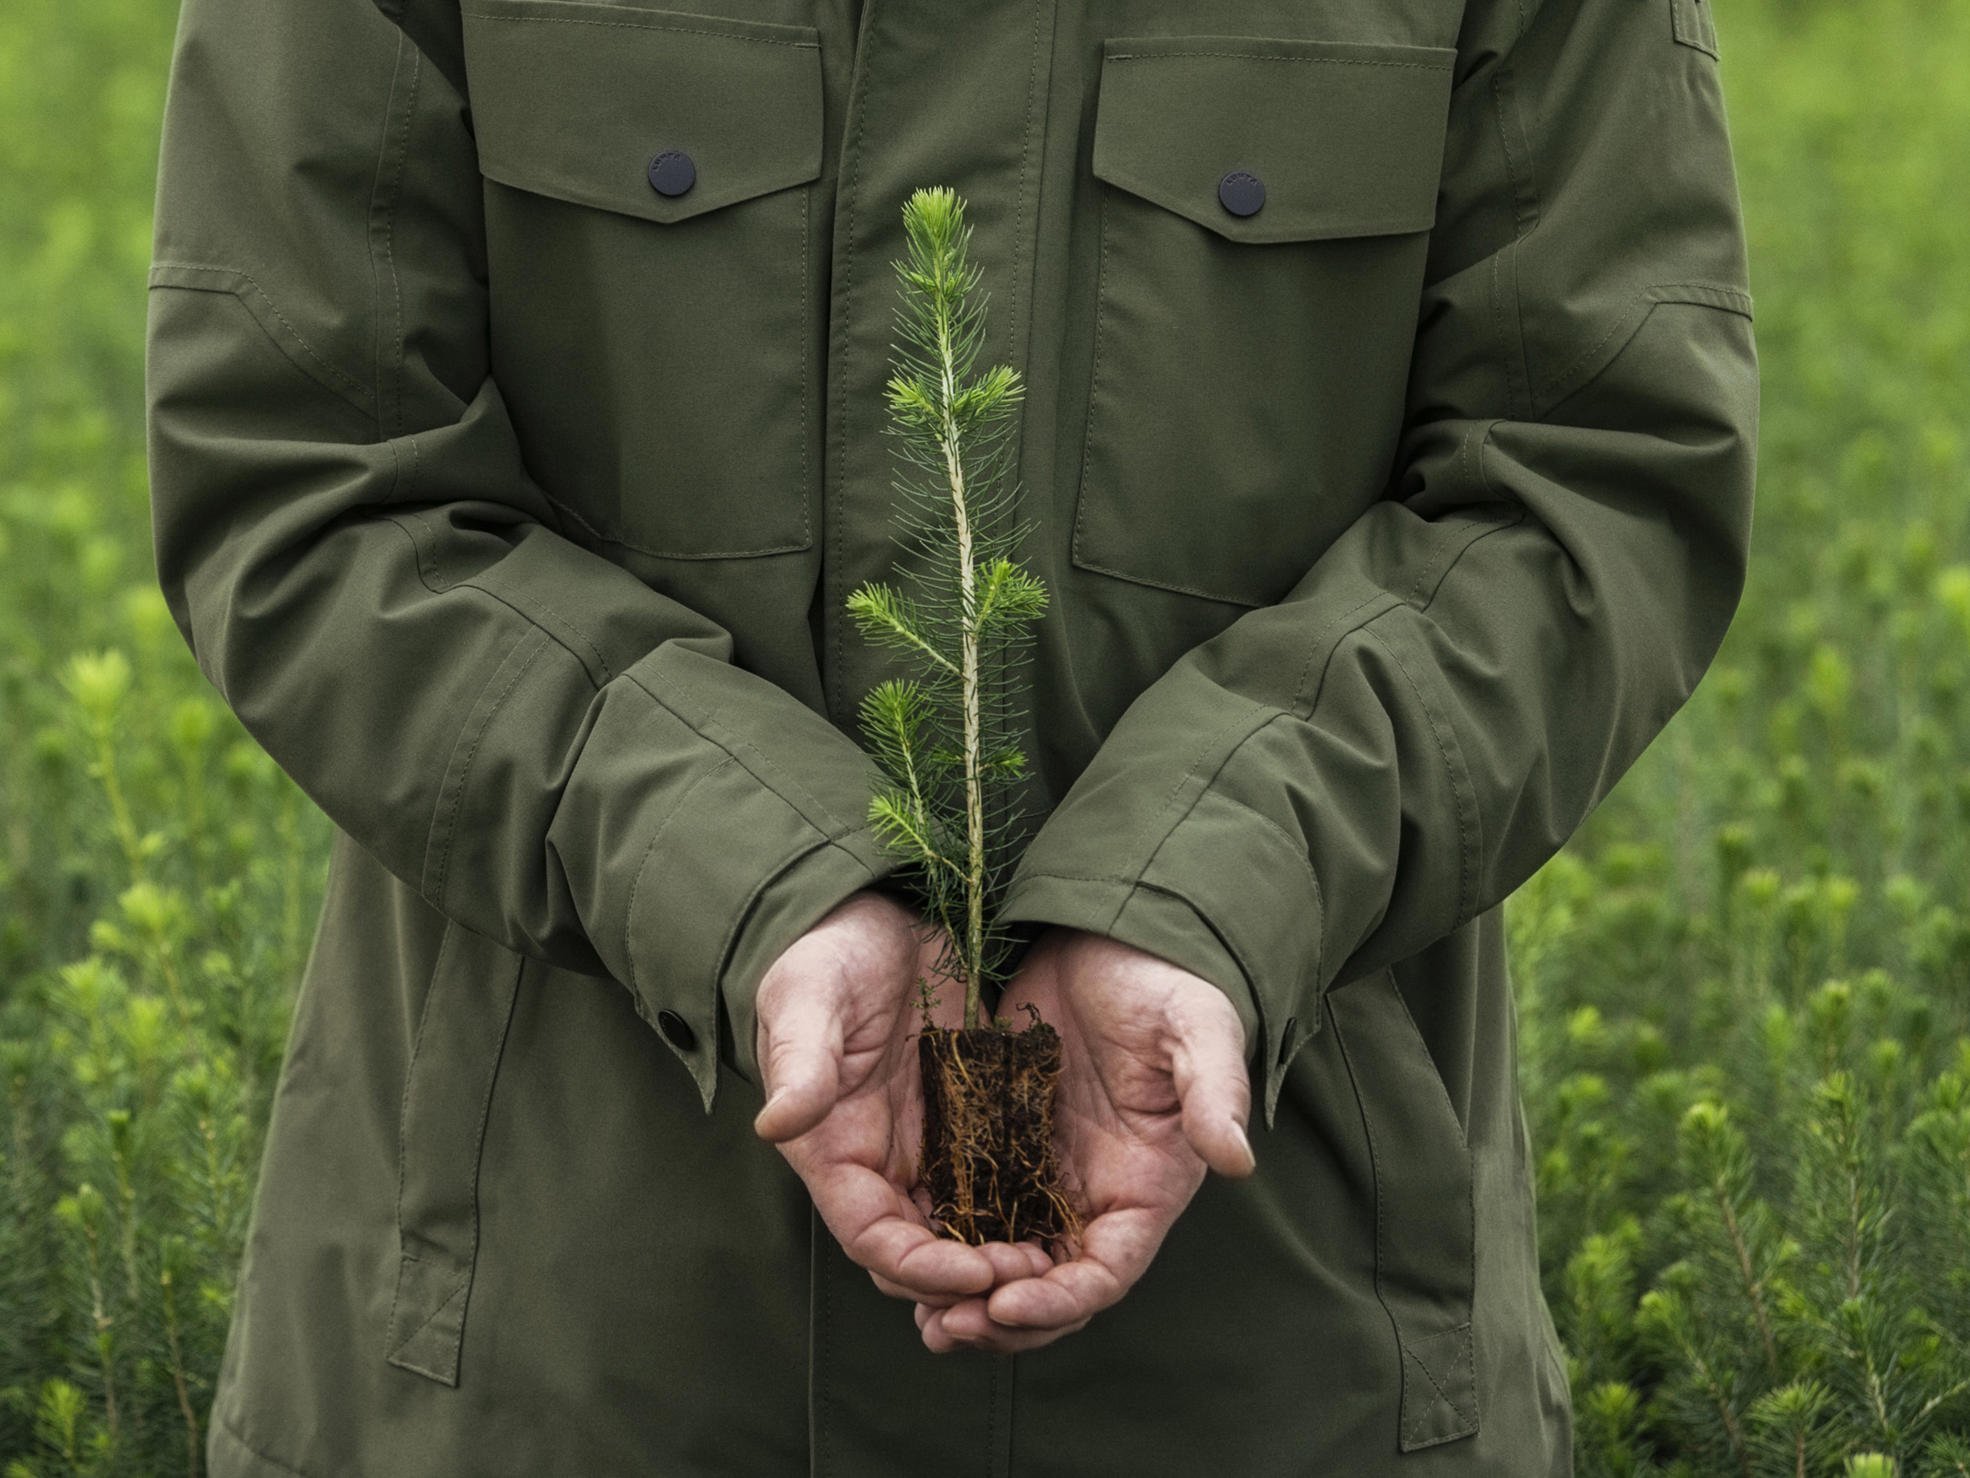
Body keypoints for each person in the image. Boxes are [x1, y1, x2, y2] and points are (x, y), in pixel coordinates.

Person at [144, 0, 1756, 1470]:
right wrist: (751, 884)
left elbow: (1579, 479)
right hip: (545, 1357)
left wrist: (1207, 881)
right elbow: (319, 475)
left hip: (1284, 1358)